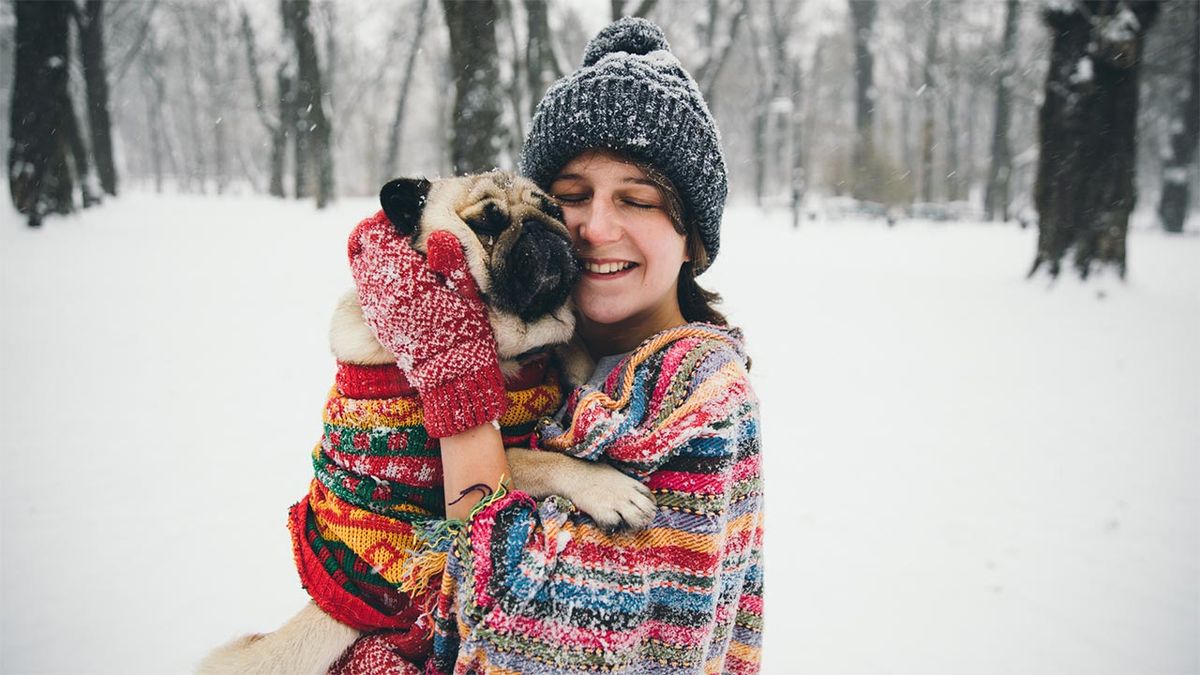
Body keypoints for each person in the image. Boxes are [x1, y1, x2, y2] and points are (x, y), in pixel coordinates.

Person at [342, 17, 762, 674]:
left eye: (640, 199)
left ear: (694, 242)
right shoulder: (561, 359)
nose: (596, 226)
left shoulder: (699, 399)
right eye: (570, 196)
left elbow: (525, 634)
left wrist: (456, 383)